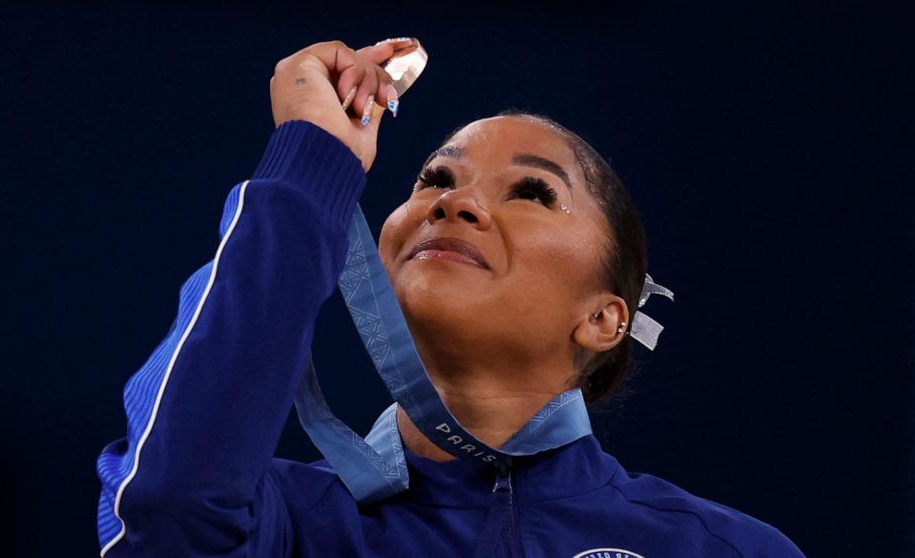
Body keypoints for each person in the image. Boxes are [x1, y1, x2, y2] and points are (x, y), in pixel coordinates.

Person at [95, 39, 805, 557]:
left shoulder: (724, 550)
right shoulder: (283, 523)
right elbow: (164, 513)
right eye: (434, 179)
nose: (455, 204)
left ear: (603, 318)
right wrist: (312, 162)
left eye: (533, 192)